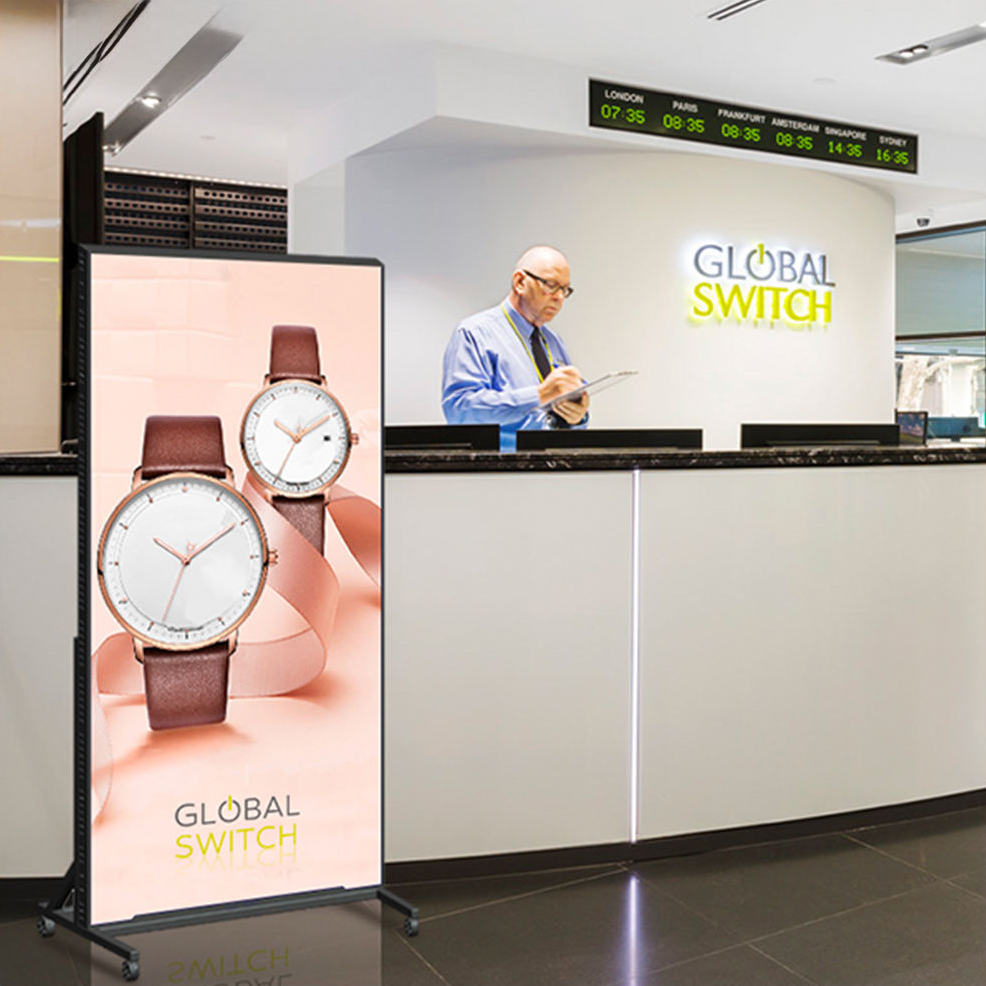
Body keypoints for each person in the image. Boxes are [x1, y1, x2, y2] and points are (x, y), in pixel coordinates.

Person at [441, 245, 589, 451]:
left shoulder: (553, 340)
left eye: (564, 290)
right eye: (550, 285)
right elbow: (460, 411)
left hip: (552, 463)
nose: (559, 297)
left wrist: (577, 417)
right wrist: (539, 395)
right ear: (520, 282)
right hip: (500, 466)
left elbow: (559, 418)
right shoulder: (474, 333)